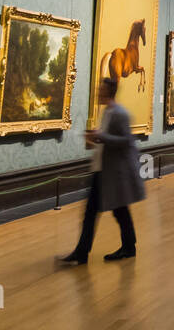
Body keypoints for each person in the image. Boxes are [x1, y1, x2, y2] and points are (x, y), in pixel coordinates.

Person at [60, 77, 145, 264]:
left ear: (109, 92)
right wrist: (94, 138)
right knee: (104, 211)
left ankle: (89, 252)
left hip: (113, 172)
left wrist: (101, 136)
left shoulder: (119, 113)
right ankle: (121, 248)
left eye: (102, 89)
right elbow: (108, 139)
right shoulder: (107, 112)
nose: (99, 92)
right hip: (103, 169)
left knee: (111, 211)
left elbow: (126, 141)